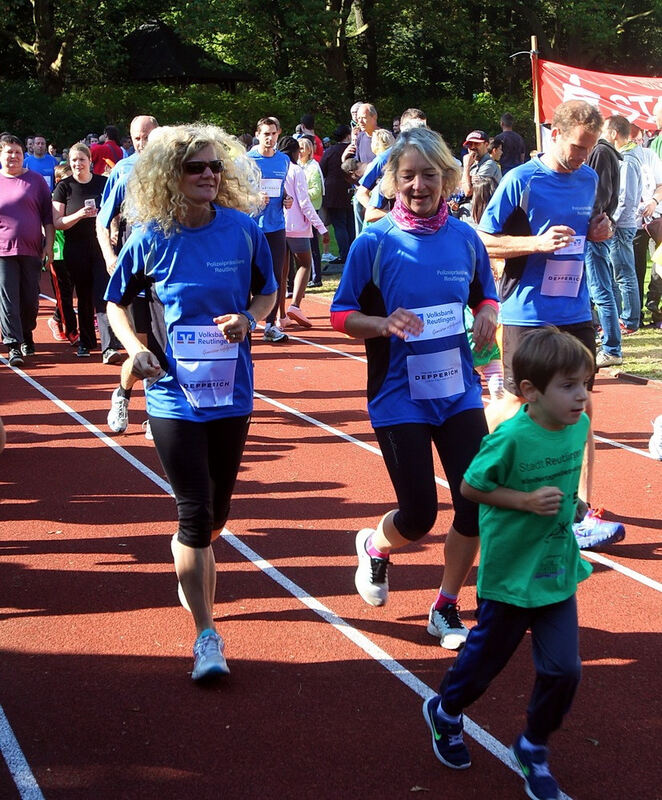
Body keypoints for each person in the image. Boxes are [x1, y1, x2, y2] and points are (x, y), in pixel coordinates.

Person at [105, 124, 277, 681]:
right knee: (196, 512)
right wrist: (135, 349)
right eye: (194, 168)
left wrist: (249, 319)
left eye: (214, 168)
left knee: (216, 513)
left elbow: (267, 292)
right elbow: (115, 303)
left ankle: (189, 548)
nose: (207, 175)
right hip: (172, 396)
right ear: (169, 178)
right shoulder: (150, 237)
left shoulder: (243, 231)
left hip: (232, 394)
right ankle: (207, 635)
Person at [330, 127, 498, 650]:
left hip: (457, 391)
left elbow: (484, 295)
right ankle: (377, 547)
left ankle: (445, 606)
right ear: (392, 182)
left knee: (475, 503)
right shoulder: (373, 242)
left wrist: (488, 316)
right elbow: (340, 314)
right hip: (398, 395)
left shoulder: (465, 237)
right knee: (420, 514)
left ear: (448, 178)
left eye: (430, 175)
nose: (420, 185)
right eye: (408, 176)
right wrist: (382, 325)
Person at [423, 327, 594, 800]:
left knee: (565, 670)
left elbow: (565, 472)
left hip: (557, 566)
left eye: (586, 384)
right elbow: (471, 488)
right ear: (530, 392)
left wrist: (572, 503)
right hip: (509, 574)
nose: (581, 396)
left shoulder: (577, 425)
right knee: (483, 664)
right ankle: (446, 711)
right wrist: (523, 500)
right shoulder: (511, 437)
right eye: (569, 386)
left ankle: (533, 747)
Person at [477, 99, 626, 551]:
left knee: (583, 408)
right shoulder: (520, 179)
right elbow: (481, 238)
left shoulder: (589, 178)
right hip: (527, 312)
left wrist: (601, 229)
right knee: (519, 408)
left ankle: (583, 510)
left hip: (575, 311)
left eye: (590, 148)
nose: (583, 156)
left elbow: (592, 228)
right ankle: (478, 457)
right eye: (577, 147)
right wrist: (535, 244)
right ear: (555, 134)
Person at [96, 115, 160, 437]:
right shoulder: (123, 171)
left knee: (168, 348)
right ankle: (122, 394)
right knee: (142, 348)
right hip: (136, 271)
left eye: (147, 135)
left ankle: (156, 412)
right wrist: (110, 255)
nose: (142, 142)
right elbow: (102, 220)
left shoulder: (172, 167)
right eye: (136, 138)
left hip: (166, 269)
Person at [52, 143, 121, 360]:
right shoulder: (64, 187)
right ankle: (86, 341)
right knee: (82, 295)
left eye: (81, 159)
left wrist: (114, 231)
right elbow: (58, 222)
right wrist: (80, 214)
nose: (77, 164)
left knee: (102, 293)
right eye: (73, 160)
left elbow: (116, 212)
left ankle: (108, 346)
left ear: (90, 161)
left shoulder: (104, 182)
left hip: (100, 247)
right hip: (76, 248)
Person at [0, 134, 54, 366]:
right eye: (8, 152)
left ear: (24, 156)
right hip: (3, 251)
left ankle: (27, 333)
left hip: (32, 249)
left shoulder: (36, 181)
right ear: (1, 156)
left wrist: (49, 245)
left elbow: (47, 217)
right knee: (8, 298)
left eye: (17, 153)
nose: (13, 157)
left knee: (30, 300)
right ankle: (13, 344)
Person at [247, 117, 292, 343]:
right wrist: (253, 198)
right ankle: (245, 321)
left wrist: (286, 199)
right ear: (258, 134)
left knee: (274, 276)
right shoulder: (246, 160)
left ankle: (270, 325)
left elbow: (282, 189)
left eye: (273, 134)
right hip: (251, 227)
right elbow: (236, 194)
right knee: (247, 276)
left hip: (276, 226)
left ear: (278, 134)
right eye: (265, 133)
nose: (269, 138)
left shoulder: (283, 160)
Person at [277, 136, 329, 328]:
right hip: (297, 226)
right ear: (294, 152)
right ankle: (295, 305)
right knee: (305, 264)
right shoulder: (296, 170)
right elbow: (305, 203)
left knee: (282, 273)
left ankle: (281, 314)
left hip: (278, 226)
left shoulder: (275, 170)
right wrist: (321, 227)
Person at [46, 162, 79, 345]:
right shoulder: (52, 201)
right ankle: (72, 331)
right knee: (64, 293)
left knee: (72, 290)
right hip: (58, 252)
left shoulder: (74, 197)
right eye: (67, 178)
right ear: (59, 181)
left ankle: (56, 319)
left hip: (74, 251)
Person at [320, 125, 355, 264]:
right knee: (350, 223)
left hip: (334, 192)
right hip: (350, 188)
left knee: (339, 225)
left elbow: (321, 169)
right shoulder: (353, 151)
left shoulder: (330, 151)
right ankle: (352, 252)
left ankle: (344, 254)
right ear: (347, 135)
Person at [298, 136, 326, 287]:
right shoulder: (298, 166)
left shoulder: (313, 167)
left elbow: (316, 190)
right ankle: (307, 276)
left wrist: (301, 195)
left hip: (311, 209)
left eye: (302, 148)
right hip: (300, 210)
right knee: (303, 244)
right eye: (299, 148)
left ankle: (316, 277)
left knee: (312, 243)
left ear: (309, 151)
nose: (300, 151)